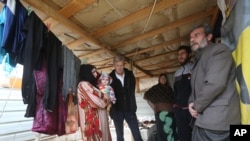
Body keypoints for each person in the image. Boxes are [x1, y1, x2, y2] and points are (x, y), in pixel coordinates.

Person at [188, 23, 241, 141]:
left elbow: (214, 84)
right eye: (190, 38)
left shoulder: (219, 51)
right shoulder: (199, 60)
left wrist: (196, 106)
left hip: (219, 122)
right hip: (203, 121)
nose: (192, 40)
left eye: (196, 35)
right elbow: (196, 88)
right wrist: (191, 102)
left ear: (209, 36)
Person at [109, 55, 143, 141]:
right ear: (114, 65)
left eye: (121, 65)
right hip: (117, 111)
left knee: (137, 135)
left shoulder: (130, 75)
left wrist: (133, 107)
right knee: (120, 137)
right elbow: (109, 95)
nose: (120, 68)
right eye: (117, 65)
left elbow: (131, 92)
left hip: (129, 110)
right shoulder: (109, 78)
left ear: (124, 65)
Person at [77, 64, 112, 141]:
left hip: (98, 118)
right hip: (91, 120)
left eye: (96, 72)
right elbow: (97, 103)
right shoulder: (83, 84)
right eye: (93, 72)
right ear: (87, 73)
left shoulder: (92, 85)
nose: (96, 74)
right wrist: (105, 99)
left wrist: (105, 98)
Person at [144, 73, 178, 141]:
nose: (163, 79)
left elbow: (173, 99)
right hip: (161, 114)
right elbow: (146, 95)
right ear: (159, 80)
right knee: (163, 130)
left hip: (170, 113)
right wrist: (155, 104)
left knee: (171, 128)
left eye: (165, 78)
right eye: (161, 78)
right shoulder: (156, 88)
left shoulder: (169, 89)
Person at [173, 46, 193, 141]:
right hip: (179, 110)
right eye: (178, 54)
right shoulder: (177, 73)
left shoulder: (195, 68)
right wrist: (175, 106)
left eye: (183, 53)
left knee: (195, 135)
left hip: (192, 109)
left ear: (189, 54)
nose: (180, 56)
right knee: (183, 136)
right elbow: (176, 90)